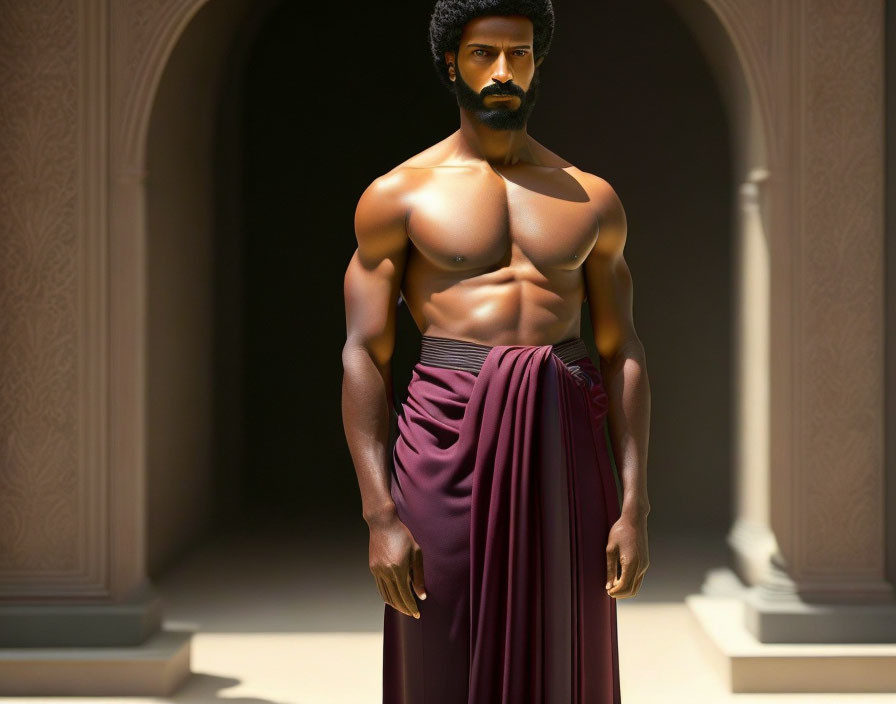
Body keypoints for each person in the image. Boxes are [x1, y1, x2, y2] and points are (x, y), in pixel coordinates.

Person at [341, 1, 650, 701]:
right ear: (452, 62)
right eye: (484, 54)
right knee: (439, 643)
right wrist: (380, 516)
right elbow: (363, 353)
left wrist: (635, 507)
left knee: (567, 645)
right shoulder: (398, 196)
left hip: (565, 443)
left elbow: (621, 346)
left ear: (538, 62)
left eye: (519, 53)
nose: (503, 71)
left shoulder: (592, 199)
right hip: (444, 442)